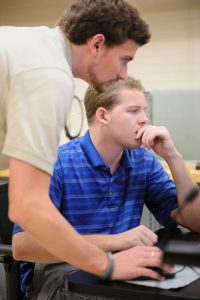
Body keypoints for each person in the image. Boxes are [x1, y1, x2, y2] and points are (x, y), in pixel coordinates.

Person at [0, 0, 153, 281]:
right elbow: (27, 205)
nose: (123, 74)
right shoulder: (48, 72)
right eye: (124, 59)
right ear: (97, 44)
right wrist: (109, 266)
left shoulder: (31, 45)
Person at [13, 76, 200, 299]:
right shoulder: (55, 164)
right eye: (133, 111)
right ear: (103, 115)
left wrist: (173, 156)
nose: (144, 120)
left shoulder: (142, 161)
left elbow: (195, 221)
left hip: (123, 267)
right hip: (63, 273)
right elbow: (22, 246)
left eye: (144, 110)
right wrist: (117, 241)